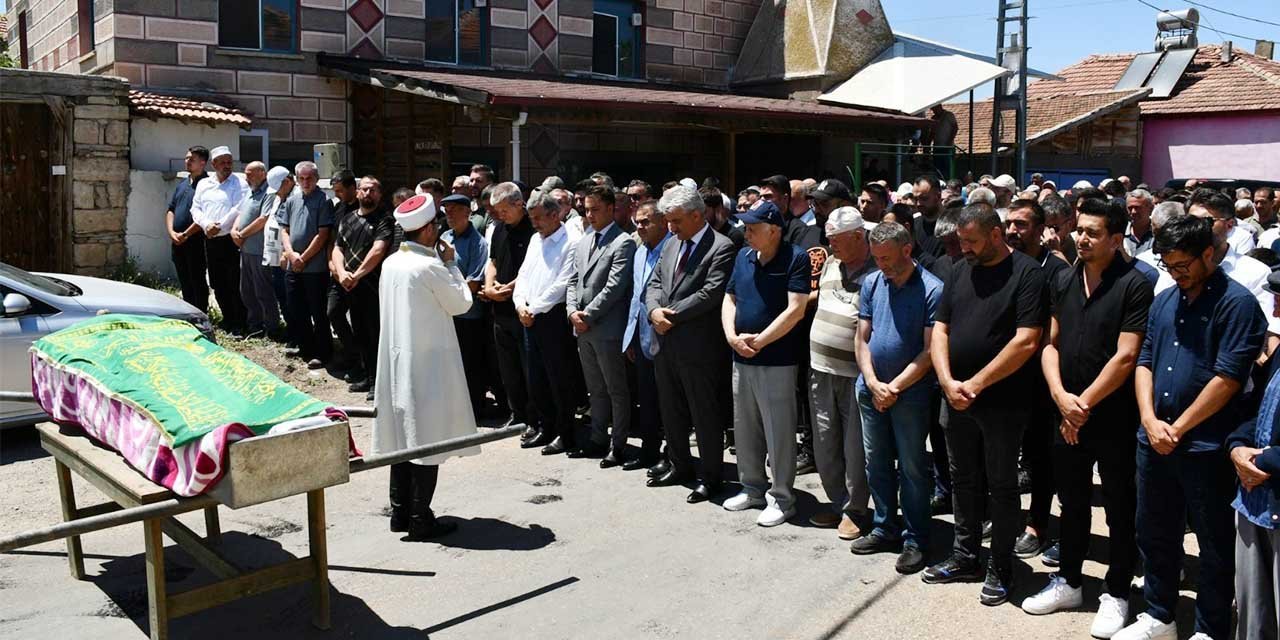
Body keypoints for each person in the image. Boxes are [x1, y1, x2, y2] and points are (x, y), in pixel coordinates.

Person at [1113, 214, 1266, 640]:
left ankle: (1209, 628)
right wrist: (1148, 419)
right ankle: (1159, 616)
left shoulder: (1237, 305)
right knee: (1155, 532)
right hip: (1153, 440)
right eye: (1169, 266)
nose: (1177, 274)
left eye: (1184, 266)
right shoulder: (1165, 300)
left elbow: (1228, 378)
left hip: (1206, 445)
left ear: (1208, 254)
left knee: (1214, 544)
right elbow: (1144, 360)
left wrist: (1176, 428)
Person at [1021, 196, 1153, 639]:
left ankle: (1116, 593)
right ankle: (1071, 582)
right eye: (1079, 229)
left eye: (1092, 232)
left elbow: (1127, 355)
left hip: (1112, 416)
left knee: (1119, 506)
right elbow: (1050, 343)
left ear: (1116, 239)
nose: (1081, 238)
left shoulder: (1135, 284)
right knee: (1072, 503)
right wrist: (1061, 396)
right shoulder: (1062, 279)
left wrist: (1083, 404)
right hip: (1065, 414)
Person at [924, 203, 1047, 607]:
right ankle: (965, 556)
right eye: (962, 242)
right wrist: (946, 381)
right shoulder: (959, 269)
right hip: (955, 396)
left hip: (1002, 402)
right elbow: (940, 329)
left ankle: (1001, 565)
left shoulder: (1027, 273)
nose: (966, 249)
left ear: (996, 234)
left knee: (1001, 485)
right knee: (963, 480)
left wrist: (975, 383)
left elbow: (1027, 340)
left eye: (972, 241)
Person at [374, 193, 479, 541]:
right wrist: (451, 264)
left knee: (401, 435)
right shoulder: (429, 265)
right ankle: (420, 517)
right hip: (427, 363)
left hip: (398, 357)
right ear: (430, 228)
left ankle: (400, 511)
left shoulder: (392, 262)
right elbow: (461, 302)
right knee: (426, 438)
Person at [852, 220, 943, 574]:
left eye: (887, 258)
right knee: (876, 462)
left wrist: (895, 387)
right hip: (871, 388)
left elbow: (929, 350)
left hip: (911, 394)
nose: (881, 265)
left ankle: (916, 538)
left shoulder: (932, 290)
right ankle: (884, 525)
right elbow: (862, 338)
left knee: (912, 467)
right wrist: (873, 381)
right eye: (876, 258)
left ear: (908, 250)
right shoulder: (873, 282)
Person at [645, 185, 737, 503]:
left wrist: (669, 314)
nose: (671, 227)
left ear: (698, 215)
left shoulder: (721, 247)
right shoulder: (671, 244)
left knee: (704, 415)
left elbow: (710, 293)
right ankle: (680, 465)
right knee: (670, 412)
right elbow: (655, 282)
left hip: (699, 348)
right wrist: (654, 310)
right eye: (669, 221)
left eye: (677, 221)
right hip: (665, 343)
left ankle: (710, 477)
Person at [720, 200, 810, 526]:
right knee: (745, 427)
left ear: (774, 230)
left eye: (753, 228)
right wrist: (732, 336)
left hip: (777, 360)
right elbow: (730, 298)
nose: (747, 233)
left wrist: (759, 341)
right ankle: (752, 487)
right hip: (741, 356)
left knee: (779, 430)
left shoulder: (796, 258)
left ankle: (782, 497)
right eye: (745, 227)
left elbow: (796, 309)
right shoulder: (743, 258)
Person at [1005, 199, 1070, 559]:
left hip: (1042, 381)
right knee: (1006, 454)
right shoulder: (1005, 265)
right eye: (1010, 223)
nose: (1014, 230)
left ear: (1042, 230)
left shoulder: (1056, 273)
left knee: (1041, 457)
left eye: (1023, 224)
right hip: (1005, 377)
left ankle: (1038, 524)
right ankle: (1004, 516)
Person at [806, 207, 876, 537]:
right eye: (829, 239)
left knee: (854, 447)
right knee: (824, 441)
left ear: (859, 237)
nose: (831, 245)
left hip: (854, 373)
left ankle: (856, 509)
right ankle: (837, 503)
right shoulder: (833, 264)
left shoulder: (876, 271)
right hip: (820, 369)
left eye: (837, 240)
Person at [566, 185, 637, 466]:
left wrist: (587, 315)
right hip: (582, 328)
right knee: (594, 389)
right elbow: (573, 280)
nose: (590, 214)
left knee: (616, 389)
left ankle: (618, 444)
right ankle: (597, 439)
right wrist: (572, 311)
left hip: (606, 328)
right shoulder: (584, 240)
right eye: (586, 209)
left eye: (596, 209)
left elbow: (615, 287)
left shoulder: (623, 243)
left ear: (611, 209)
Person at [513, 189, 580, 456]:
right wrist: (520, 304)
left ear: (555, 215)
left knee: (559, 379)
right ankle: (545, 426)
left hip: (552, 318)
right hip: (528, 316)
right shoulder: (534, 239)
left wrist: (534, 308)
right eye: (532, 218)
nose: (535, 223)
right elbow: (524, 275)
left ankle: (566, 433)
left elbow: (563, 283)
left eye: (539, 218)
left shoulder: (571, 242)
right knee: (536, 377)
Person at [1228, 321, 1280, 640]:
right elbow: (1255, 409)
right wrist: (1237, 448)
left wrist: (1260, 461)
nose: (1275, 308)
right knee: (1253, 620)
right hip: (1253, 503)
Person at [329, 176, 394, 397]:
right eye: (365, 189)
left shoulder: (385, 219)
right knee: (359, 331)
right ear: (357, 193)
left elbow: (379, 250)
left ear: (380, 194)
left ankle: (378, 382)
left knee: (374, 333)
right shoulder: (347, 218)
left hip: (372, 286)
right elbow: (338, 248)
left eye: (374, 190)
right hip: (350, 285)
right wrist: (341, 272)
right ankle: (366, 376)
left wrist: (356, 275)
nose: (369, 193)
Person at [485, 183, 538, 440]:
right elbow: (492, 261)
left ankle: (534, 418)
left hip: (524, 309)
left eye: (504, 210)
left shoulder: (533, 229)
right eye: (497, 211)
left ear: (519, 204)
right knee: (508, 370)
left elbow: (531, 268)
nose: (500, 215)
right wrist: (489, 287)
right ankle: (517, 414)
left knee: (528, 369)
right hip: (500, 310)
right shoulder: (498, 229)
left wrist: (510, 287)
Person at [623, 201, 671, 472]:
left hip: (665, 338)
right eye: (637, 222)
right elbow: (635, 298)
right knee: (647, 400)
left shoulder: (672, 249)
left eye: (646, 222)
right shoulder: (640, 252)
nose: (640, 226)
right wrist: (629, 337)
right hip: (641, 338)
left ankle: (671, 454)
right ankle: (648, 452)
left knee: (669, 403)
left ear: (663, 222)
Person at [277, 161, 336, 369]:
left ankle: (323, 352)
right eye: (301, 178)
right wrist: (292, 254)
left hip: (315, 268)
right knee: (296, 309)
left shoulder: (324, 201)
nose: (305, 182)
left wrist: (304, 258)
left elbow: (323, 234)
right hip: (294, 266)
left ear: (317, 178)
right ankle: (305, 347)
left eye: (309, 178)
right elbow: (284, 230)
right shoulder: (292, 200)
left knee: (317, 311)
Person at [438, 193, 490, 418]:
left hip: (469, 314)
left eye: (454, 209)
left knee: (472, 364)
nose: (449, 213)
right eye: (446, 209)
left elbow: (474, 283)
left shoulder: (478, 242)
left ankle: (475, 408)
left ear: (468, 212)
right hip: (447, 313)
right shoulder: (444, 236)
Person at [191, 145, 249, 335]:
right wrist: (207, 225)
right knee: (217, 282)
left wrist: (219, 226)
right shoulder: (204, 184)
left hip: (229, 240)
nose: (226, 166)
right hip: (210, 239)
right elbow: (196, 209)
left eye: (229, 162)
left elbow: (238, 208)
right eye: (222, 162)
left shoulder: (239, 183)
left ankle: (240, 322)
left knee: (234, 282)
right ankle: (228, 318)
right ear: (214, 164)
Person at [229, 161, 279, 339]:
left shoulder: (269, 193)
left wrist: (241, 234)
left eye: (250, 173)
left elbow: (263, 219)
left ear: (262, 174)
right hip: (246, 250)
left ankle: (272, 327)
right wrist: (234, 230)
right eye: (246, 173)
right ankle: (255, 326)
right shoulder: (249, 193)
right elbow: (241, 214)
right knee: (247, 291)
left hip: (259, 251)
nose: (246, 177)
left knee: (263, 291)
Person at [167, 146, 210, 313]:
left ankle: (200, 313)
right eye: (186, 158)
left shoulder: (207, 185)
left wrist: (185, 234)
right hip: (178, 241)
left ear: (203, 163)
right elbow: (171, 209)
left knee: (197, 279)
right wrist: (172, 232)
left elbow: (205, 216)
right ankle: (188, 311)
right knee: (184, 278)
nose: (187, 162)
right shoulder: (183, 183)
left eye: (192, 159)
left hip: (196, 241)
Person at [702, 187, 744, 251]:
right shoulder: (702, 233)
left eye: (704, 211)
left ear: (718, 208)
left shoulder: (734, 236)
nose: (701, 217)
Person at [1125, 189, 1156, 257]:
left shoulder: (1159, 233)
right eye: (1130, 208)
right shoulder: (1120, 233)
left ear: (1150, 208)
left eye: (1137, 207)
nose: (1133, 212)